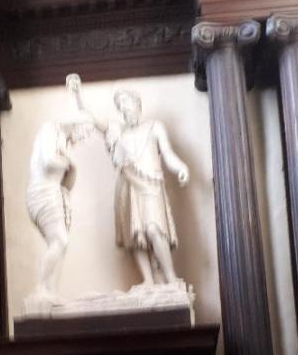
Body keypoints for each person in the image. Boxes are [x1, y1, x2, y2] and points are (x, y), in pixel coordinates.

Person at [67, 75, 189, 286]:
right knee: (135, 235)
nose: (124, 108)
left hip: (150, 183)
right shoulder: (117, 131)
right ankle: (148, 282)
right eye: (120, 105)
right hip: (127, 184)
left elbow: (167, 154)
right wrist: (78, 93)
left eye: (127, 102)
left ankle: (171, 279)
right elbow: (90, 117)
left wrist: (181, 167)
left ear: (137, 103)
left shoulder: (154, 126)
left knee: (154, 228)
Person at [26, 116, 92, 298]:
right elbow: (48, 160)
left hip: (54, 192)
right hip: (42, 191)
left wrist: (72, 167)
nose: (83, 138)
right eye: (85, 132)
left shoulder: (64, 141)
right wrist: (69, 162)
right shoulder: (50, 129)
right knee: (60, 241)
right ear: (76, 122)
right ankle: (40, 288)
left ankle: (51, 293)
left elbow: (67, 185)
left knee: (60, 246)